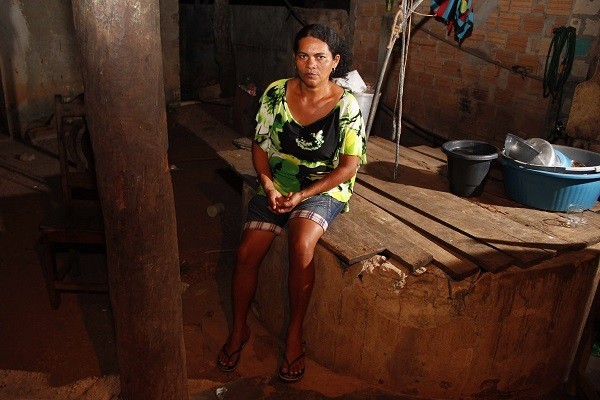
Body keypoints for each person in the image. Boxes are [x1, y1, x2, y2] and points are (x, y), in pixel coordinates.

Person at [216, 23, 367, 383]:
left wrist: (303, 195)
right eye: (303, 55)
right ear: (295, 58)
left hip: (324, 187)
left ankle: (295, 334)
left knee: (301, 245)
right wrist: (268, 185)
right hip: (279, 182)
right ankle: (239, 329)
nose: (311, 64)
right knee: (246, 251)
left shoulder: (346, 105)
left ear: (335, 61)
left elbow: (348, 167)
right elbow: (260, 145)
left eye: (320, 57)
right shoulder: (276, 93)